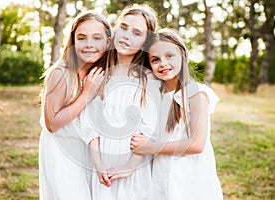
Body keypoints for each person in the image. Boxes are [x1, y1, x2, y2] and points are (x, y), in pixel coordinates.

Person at [130, 29, 223, 200]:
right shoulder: (154, 97)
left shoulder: (196, 93)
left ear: (182, 54)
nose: (163, 63)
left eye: (169, 56)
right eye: (155, 60)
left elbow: (196, 144)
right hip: (161, 176)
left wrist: (150, 147)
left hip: (190, 179)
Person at [80, 4, 160, 200]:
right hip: (101, 163)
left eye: (136, 33)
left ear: (145, 43)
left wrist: (130, 167)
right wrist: (98, 164)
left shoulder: (148, 78)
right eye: (123, 27)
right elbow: (90, 123)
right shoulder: (99, 73)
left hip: (134, 165)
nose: (126, 36)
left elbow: (150, 127)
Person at [39, 11, 111, 200]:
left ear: (108, 42)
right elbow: (52, 123)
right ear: (73, 41)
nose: (89, 44)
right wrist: (86, 94)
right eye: (82, 38)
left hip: (88, 153)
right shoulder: (61, 73)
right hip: (62, 152)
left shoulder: (103, 74)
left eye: (97, 38)